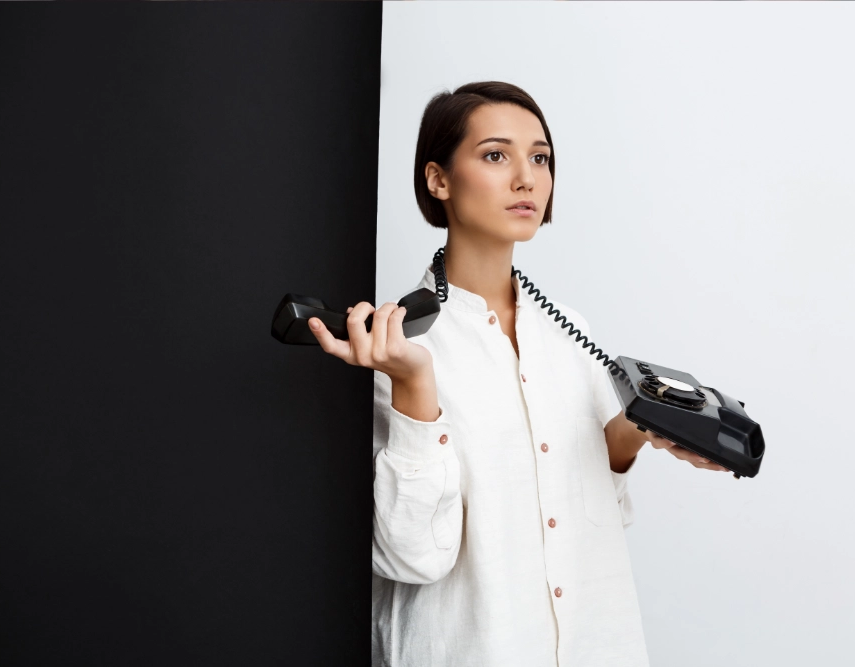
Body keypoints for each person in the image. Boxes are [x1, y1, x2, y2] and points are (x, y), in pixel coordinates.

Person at [307, 81, 729, 667]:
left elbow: (587, 516)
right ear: (438, 179)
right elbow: (412, 556)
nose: (527, 178)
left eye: (541, 157)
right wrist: (414, 385)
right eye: (496, 155)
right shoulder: (390, 343)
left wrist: (641, 430)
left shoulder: (569, 333)